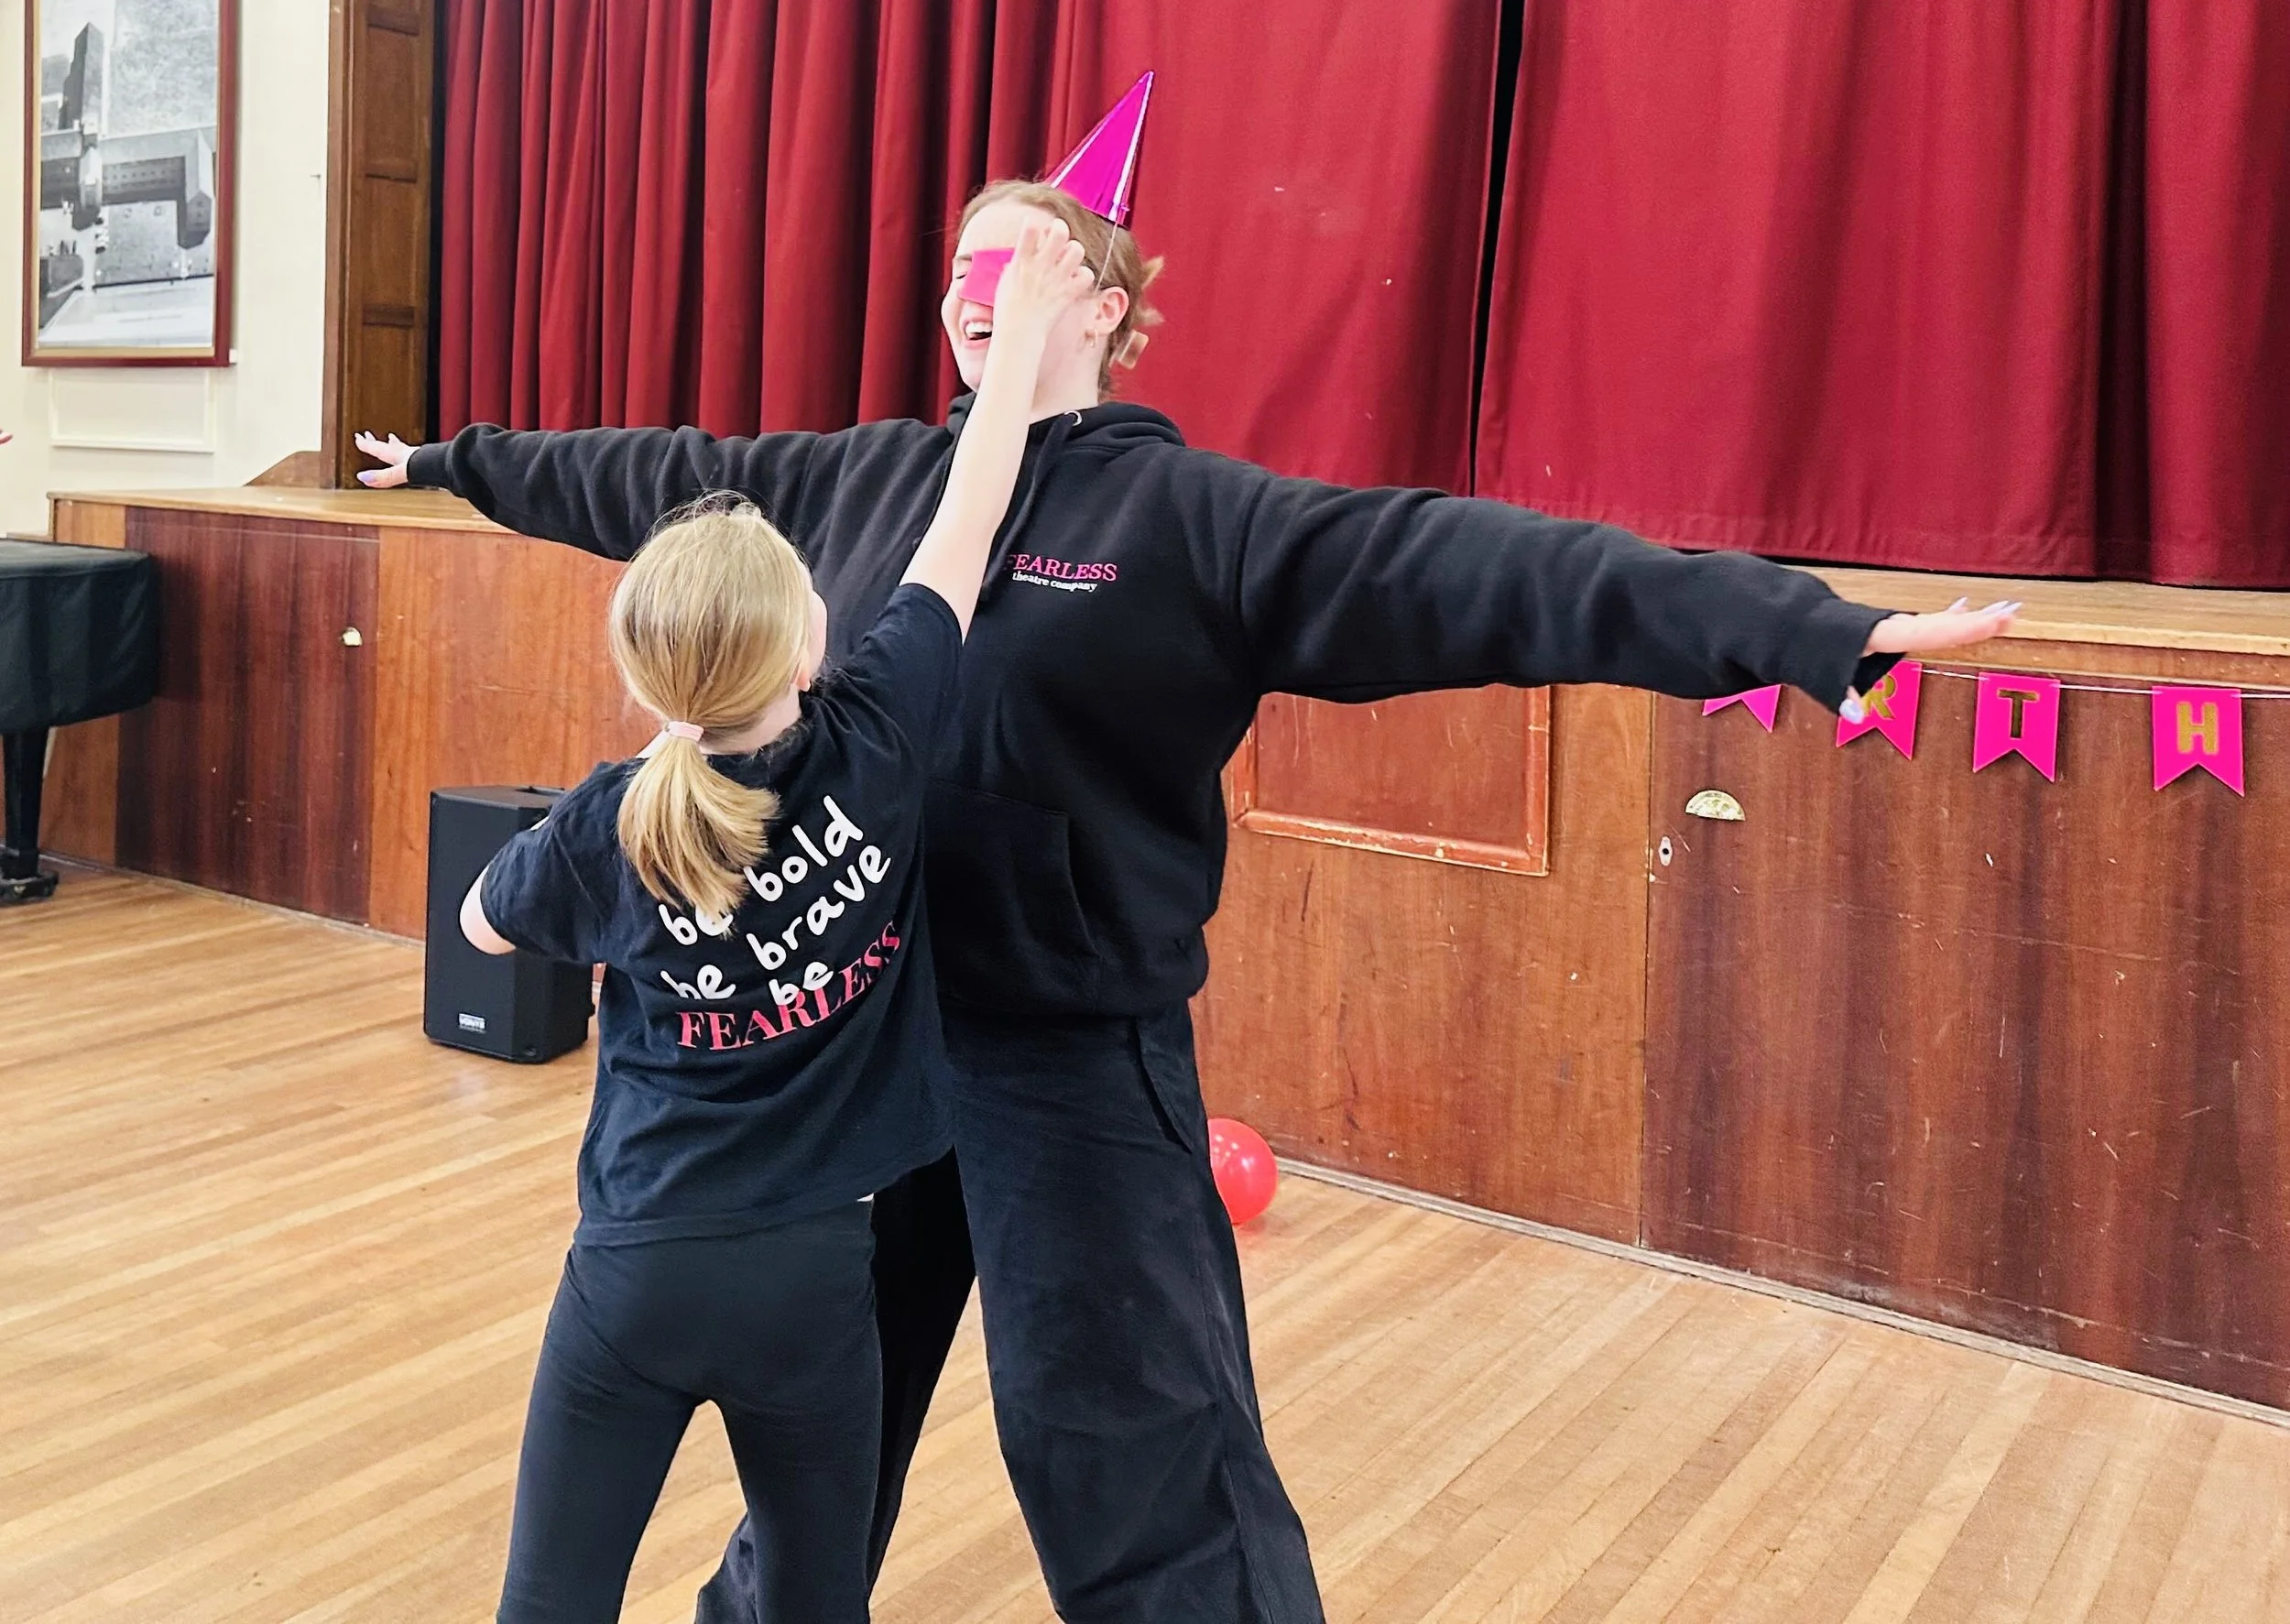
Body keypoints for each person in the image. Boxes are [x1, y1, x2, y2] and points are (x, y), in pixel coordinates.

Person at [360, 178, 2012, 1624]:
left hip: (1070, 1060)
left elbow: (1496, 572)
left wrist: (1803, 630)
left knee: (1129, 1441)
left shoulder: (1198, 520)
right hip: (859, 1062)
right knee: (820, 1451)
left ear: (1102, 305)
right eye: (955, 275)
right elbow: (647, 475)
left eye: (1008, 269)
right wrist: (450, 459)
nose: (968, 298)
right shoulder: (858, 483)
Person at [458, 220, 1096, 1624]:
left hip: (631, 1275)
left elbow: (484, 926)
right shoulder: (880, 736)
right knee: (816, 1604)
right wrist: (1021, 348)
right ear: (810, 643)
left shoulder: (608, 822)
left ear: (649, 675)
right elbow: (969, 516)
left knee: (550, 1601)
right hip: (814, 1285)